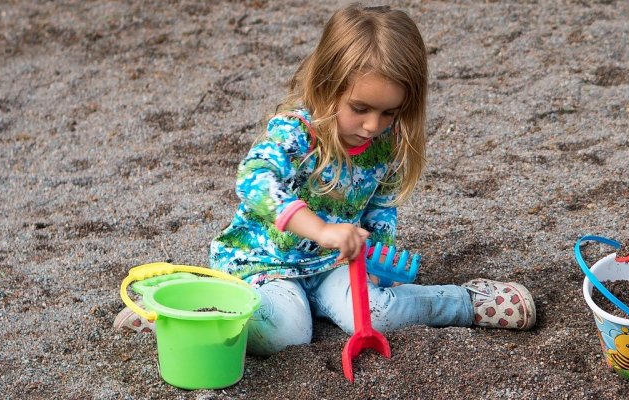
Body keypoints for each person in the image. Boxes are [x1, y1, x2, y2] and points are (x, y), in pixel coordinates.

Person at [114, 4, 536, 354]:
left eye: (389, 112)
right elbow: (253, 180)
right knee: (286, 334)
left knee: (377, 316)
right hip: (266, 264)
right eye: (360, 108)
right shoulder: (296, 132)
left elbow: (380, 207)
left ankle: (468, 303)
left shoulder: (385, 145)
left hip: (334, 264)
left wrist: (375, 254)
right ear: (326, 85)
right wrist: (319, 229)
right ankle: (185, 310)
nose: (373, 125)